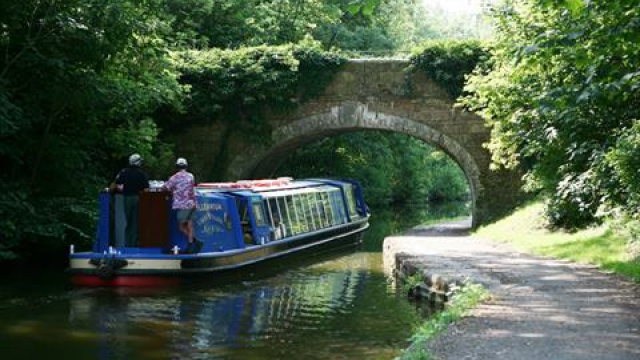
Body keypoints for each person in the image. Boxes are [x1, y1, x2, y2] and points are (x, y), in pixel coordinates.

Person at [163, 157, 201, 253]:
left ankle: (195, 241)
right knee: (189, 224)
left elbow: (166, 187)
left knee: (180, 226)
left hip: (183, 205)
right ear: (186, 166)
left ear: (177, 167)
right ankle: (191, 246)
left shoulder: (174, 177)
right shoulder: (191, 176)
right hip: (192, 203)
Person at [112, 153, 149, 247]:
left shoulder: (123, 172)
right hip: (138, 199)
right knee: (136, 221)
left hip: (127, 198)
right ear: (137, 163)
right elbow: (146, 189)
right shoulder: (142, 174)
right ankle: (135, 243)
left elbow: (116, 184)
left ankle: (127, 244)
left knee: (128, 221)